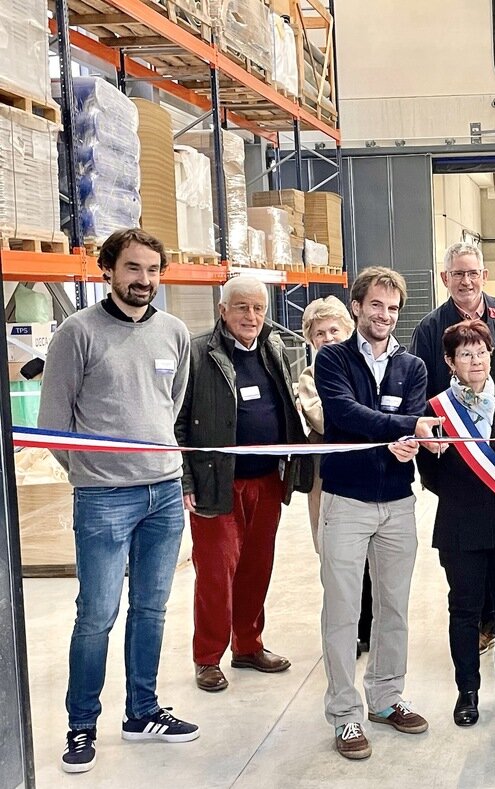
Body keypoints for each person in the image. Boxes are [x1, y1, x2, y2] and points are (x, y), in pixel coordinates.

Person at [38, 228, 198, 774]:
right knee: (97, 615)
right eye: (133, 268)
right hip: (104, 498)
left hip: (164, 493)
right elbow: (54, 427)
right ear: (107, 270)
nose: (144, 280)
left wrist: (158, 468)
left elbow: (169, 408)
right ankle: (81, 726)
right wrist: (93, 473)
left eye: (153, 270)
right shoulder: (76, 333)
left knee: (151, 610)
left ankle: (142, 711)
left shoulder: (175, 332)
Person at [313, 267, 442, 760]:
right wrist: (406, 426)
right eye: (376, 306)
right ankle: (346, 716)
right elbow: (343, 414)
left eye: (393, 308)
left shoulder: (412, 367)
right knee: (343, 613)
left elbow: (398, 421)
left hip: (397, 504)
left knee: (394, 609)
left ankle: (387, 699)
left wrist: (402, 436)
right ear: (357, 307)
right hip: (346, 502)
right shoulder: (333, 359)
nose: (385, 315)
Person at [176, 276, 313, 693]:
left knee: (256, 569)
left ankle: (248, 646)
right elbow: (179, 424)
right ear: (223, 311)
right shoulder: (199, 354)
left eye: (258, 308)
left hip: (266, 481)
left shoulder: (273, 349)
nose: (251, 316)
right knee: (217, 573)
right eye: (241, 308)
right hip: (217, 483)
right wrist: (186, 478)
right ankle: (208, 657)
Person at [410, 241, 495, 652]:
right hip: (460, 465)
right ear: (444, 278)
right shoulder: (431, 330)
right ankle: (485, 620)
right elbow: (421, 395)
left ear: (484, 275)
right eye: (457, 274)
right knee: (471, 546)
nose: (466, 281)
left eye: (473, 273)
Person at [416, 320, 495, 727]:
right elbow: (428, 475)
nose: (476, 360)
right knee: (464, 611)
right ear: (450, 361)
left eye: (481, 351)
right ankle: (467, 691)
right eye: (465, 354)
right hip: (460, 526)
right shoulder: (435, 411)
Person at [296, 297, 373, 657]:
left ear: (348, 331)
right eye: (319, 333)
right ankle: (348, 632)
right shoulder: (309, 379)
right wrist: (364, 417)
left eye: (334, 330)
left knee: (374, 559)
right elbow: (327, 420)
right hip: (327, 481)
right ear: (310, 340)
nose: (328, 338)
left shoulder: (368, 368)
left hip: (372, 477)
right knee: (338, 561)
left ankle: (372, 627)